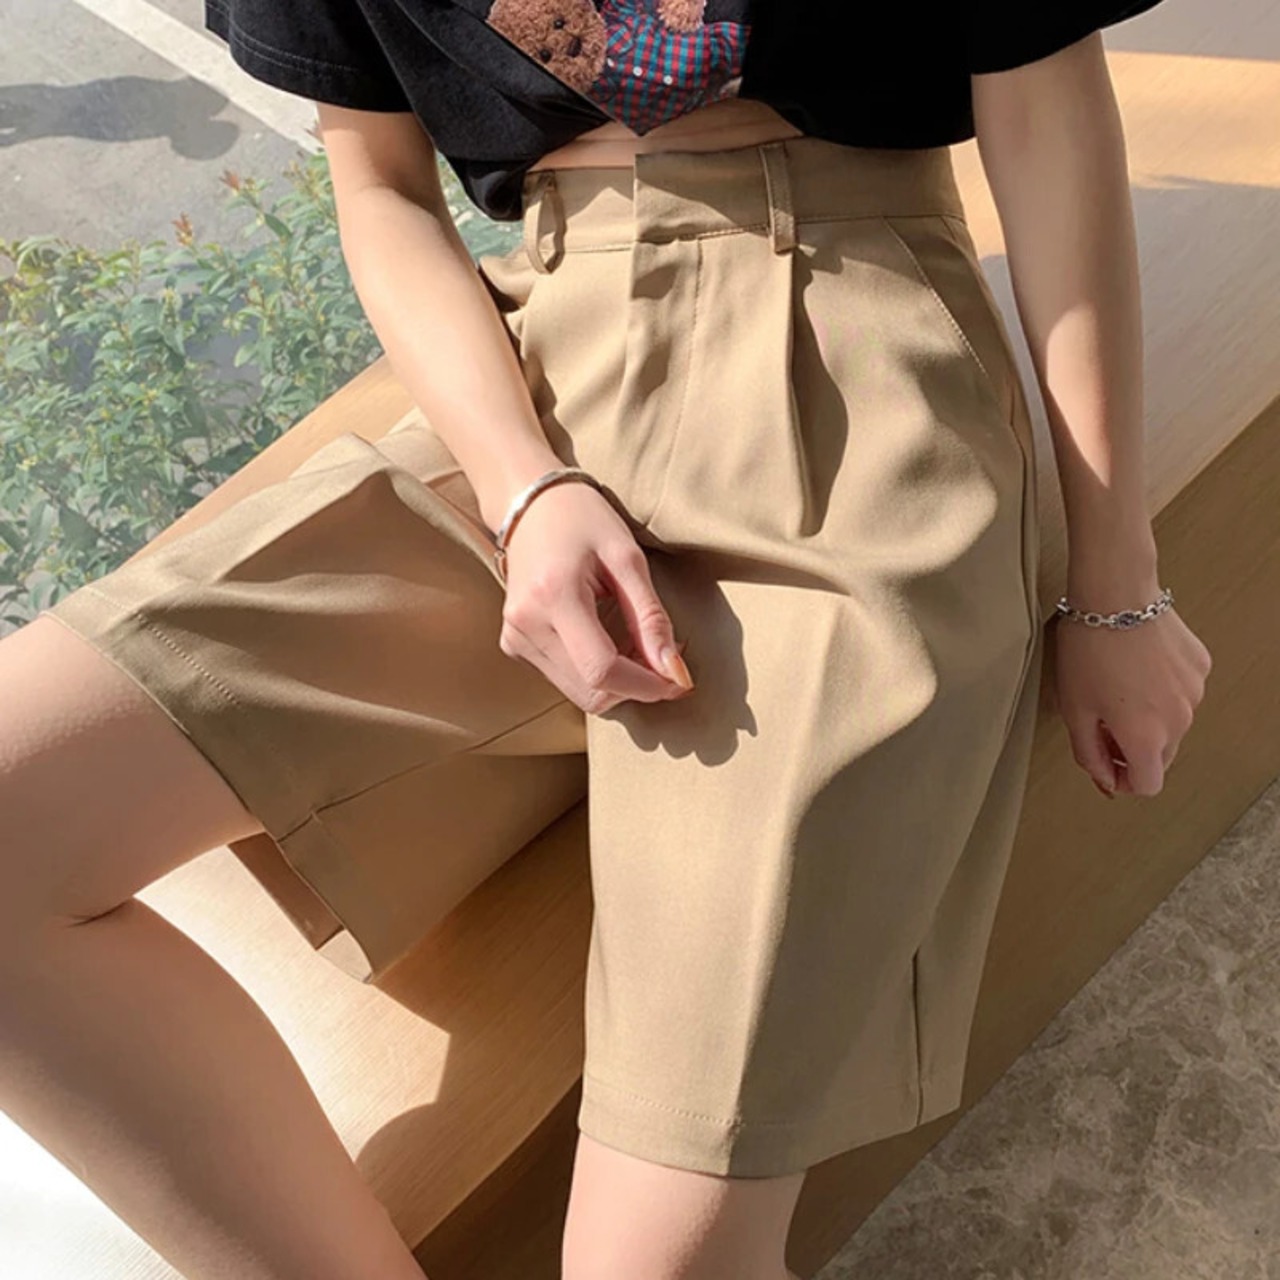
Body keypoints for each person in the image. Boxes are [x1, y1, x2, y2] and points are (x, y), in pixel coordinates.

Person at [0, 2, 1213, 1278]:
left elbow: (1045, 108)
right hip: (527, 381)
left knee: (656, 1261)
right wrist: (521, 484)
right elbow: (378, 187)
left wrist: (1113, 588)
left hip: (858, 341)